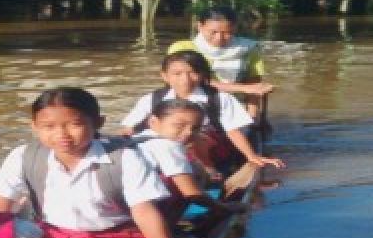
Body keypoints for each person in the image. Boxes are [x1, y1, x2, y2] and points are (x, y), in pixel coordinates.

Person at [0, 87, 217, 238]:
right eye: (49, 127)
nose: (62, 134)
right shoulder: (24, 157)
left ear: (98, 123)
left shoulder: (125, 157)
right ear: (34, 127)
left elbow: (144, 212)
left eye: (75, 124)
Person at [120, 50, 284, 178]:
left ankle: (208, 169)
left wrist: (251, 156)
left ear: (203, 75)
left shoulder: (218, 98)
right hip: (167, 142)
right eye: (177, 74)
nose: (185, 79)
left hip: (210, 146)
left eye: (192, 73)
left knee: (193, 137)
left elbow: (233, 130)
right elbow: (129, 128)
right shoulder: (152, 98)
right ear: (165, 76)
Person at [134, 98, 248, 225]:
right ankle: (168, 228)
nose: (189, 132)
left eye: (195, 128)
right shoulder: (168, 146)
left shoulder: (137, 138)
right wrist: (223, 208)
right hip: (142, 212)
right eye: (179, 125)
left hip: (123, 211)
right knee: (195, 172)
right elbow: (191, 193)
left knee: (193, 168)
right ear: (153, 122)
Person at [167, 5, 275, 133]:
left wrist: (252, 117)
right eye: (213, 32)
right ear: (200, 27)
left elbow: (254, 86)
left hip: (233, 107)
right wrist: (243, 88)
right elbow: (195, 82)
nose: (219, 38)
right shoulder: (183, 48)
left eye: (227, 33)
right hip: (190, 103)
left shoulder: (248, 49)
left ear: (235, 28)